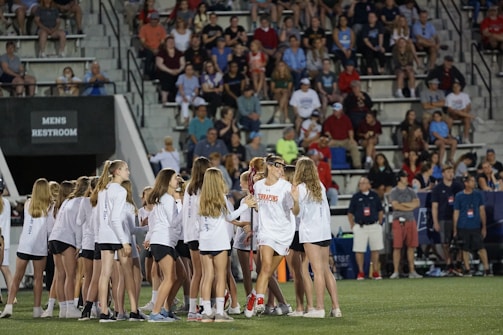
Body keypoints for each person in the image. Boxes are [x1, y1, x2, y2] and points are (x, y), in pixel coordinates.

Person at [198, 168, 256, 322]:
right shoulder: (221, 198)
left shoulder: (200, 199)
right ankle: (219, 312)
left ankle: (206, 312)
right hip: (219, 241)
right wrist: (245, 206)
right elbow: (229, 217)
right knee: (221, 276)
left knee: (207, 276)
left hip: (204, 242)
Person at [244, 155, 298, 318]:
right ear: (268, 166)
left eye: (283, 165)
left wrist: (296, 201)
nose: (281, 168)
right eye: (277, 165)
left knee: (267, 271)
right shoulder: (259, 186)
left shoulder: (286, 187)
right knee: (265, 266)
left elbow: (295, 212)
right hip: (266, 231)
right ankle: (260, 300)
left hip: (283, 232)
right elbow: (259, 208)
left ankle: (253, 296)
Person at [92, 160, 144, 322]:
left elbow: (100, 217)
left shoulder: (102, 190)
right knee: (127, 274)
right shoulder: (120, 191)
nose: (128, 172)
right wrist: (124, 241)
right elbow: (115, 219)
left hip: (104, 235)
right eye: (126, 169)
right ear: (118, 171)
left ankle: (105, 312)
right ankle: (134, 311)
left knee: (105, 274)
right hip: (116, 235)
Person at [292, 158, 342, 318]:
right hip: (324, 232)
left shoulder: (299, 188)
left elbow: (297, 213)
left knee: (317, 271)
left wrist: (294, 200)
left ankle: (319, 308)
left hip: (311, 233)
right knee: (326, 269)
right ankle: (336, 308)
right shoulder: (320, 186)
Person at [0, 178, 53, 318]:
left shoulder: (28, 203)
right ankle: (36, 310)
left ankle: (9, 306)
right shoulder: (49, 207)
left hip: (24, 245)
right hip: (39, 247)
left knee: (17, 277)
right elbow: (49, 230)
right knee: (38, 278)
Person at [142, 168, 182, 322]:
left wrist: (149, 236)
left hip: (163, 241)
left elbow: (154, 221)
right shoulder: (167, 199)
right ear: (167, 181)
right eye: (174, 177)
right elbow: (173, 222)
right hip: (163, 241)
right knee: (169, 278)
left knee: (179, 275)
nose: (177, 180)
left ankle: (164, 310)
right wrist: (184, 210)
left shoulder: (163, 198)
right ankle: (156, 312)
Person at [48, 176, 89, 319]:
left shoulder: (67, 201)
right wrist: (78, 245)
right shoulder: (81, 202)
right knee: (70, 276)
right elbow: (78, 225)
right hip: (66, 239)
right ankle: (70, 308)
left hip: (54, 238)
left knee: (60, 275)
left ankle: (63, 309)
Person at [181, 157, 211, 321]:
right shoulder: (203, 187)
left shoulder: (188, 188)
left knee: (197, 273)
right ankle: (201, 307)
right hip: (201, 234)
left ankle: (193, 309)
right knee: (205, 273)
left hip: (190, 235)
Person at [453, 175, 492, 276]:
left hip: (475, 226)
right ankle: (467, 269)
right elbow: (456, 212)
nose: (474, 183)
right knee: (464, 248)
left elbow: (482, 211)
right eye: (472, 181)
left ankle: (487, 269)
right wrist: (455, 228)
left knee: (481, 248)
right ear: (466, 183)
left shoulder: (478, 195)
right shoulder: (459, 196)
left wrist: (483, 226)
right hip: (463, 226)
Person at [347, 177, 384, 280]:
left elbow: (380, 210)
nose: (362, 185)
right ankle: (361, 272)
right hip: (360, 226)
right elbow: (350, 213)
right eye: (360, 183)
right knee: (359, 250)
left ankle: (375, 271)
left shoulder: (374, 196)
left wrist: (380, 223)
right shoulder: (356, 197)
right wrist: (352, 225)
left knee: (375, 249)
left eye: (364, 183)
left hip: (374, 225)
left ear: (369, 185)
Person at [389, 170, 423, 279]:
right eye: (404, 177)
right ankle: (395, 271)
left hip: (410, 220)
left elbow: (417, 204)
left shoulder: (411, 191)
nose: (406, 178)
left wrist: (403, 204)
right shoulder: (394, 191)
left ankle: (412, 271)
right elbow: (395, 206)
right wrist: (409, 206)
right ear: (399, 178)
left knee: (411, 246)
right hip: (398, 220)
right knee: (397, 247)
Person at [431, 165, 464, 276]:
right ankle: (449, 263)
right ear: (443, 173)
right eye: (448, 171)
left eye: (452, 171)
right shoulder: (438, 188)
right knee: (445, 242)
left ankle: (458, 264)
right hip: (443, 217)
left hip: (457, 217)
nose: (451, 174)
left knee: (459, 242)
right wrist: (435, 221)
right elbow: (435, 206)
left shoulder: (458, 186)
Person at [323, 102, 362, 169]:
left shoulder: (346, 119)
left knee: (353, 146)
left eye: (336, 110)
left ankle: (357, 165)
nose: (334, 111)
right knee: (324, 146)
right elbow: (327, 132)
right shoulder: (329, 119)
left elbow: (350, 130)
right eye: (334, 110)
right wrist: (330, 138)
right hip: (334, 140)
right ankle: (325, 165)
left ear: (340, 111)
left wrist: (351, 139)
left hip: (345, 140)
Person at [445, 80, 477, 144]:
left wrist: (465, 111)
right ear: (452, 88)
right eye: (454, 87)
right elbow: (449, 109)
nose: (456, 88)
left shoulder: (465, 95)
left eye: (457, 87)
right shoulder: (449, 96)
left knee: (467, 119)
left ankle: (466, 138)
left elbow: (469, 106)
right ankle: (475, 117)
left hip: (463, 113)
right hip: (454, 114)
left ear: (460, 87)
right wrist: (458, 111)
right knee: (455, 113)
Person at [139, 11, 167, 80]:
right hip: (147, 48)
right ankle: (147, 74)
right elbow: (143, 42)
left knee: (161, 55)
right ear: (150, 20)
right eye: (152, 19)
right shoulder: (144, 28)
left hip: (158, 48)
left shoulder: (161, 29)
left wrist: (157, 49)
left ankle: (157, 76)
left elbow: (163, 42)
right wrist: (152, 49)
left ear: (158, 20)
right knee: (149, 54)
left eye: (155, 19)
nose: (154, 21)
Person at [156, 36, 185, 103]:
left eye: (172, 42)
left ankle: (179, 98)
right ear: (166, 43)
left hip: (177, 72)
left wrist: (178, 70)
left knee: (181, 77)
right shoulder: (162, 53)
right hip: (165, 72)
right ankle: (164, 99)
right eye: (169, 42)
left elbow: (183, 64)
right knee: (166, 77)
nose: (171, 43)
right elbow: (159, 64)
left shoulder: (179, 53)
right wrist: (170, 71)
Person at [187, 103, 214, 167]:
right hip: (196, 142)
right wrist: (198, 144)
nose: (203, 112)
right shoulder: (193, 122)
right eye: (201, 110)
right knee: (191, 150)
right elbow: (192, 135)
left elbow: (212, 132)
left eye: (205, 111)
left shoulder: (209, 122)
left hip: (207, 141)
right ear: (197, 112)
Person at [0, 179, 13, 308]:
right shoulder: (7, 203)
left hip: (1, 240)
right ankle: (11, 296)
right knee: (6, 269)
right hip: (5, 240)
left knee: (5, 269)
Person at [480, 6, 503, 76]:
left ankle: (501, 69)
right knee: (493, 40)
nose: (493, 12)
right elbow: (485, 33)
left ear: (497, 12)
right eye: (491, 11)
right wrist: (496, 36)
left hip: (500, 40)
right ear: (489, 12)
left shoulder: (501, 20)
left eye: (494, 10)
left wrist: (494, 35)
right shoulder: (486, 21)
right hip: (489, 42)